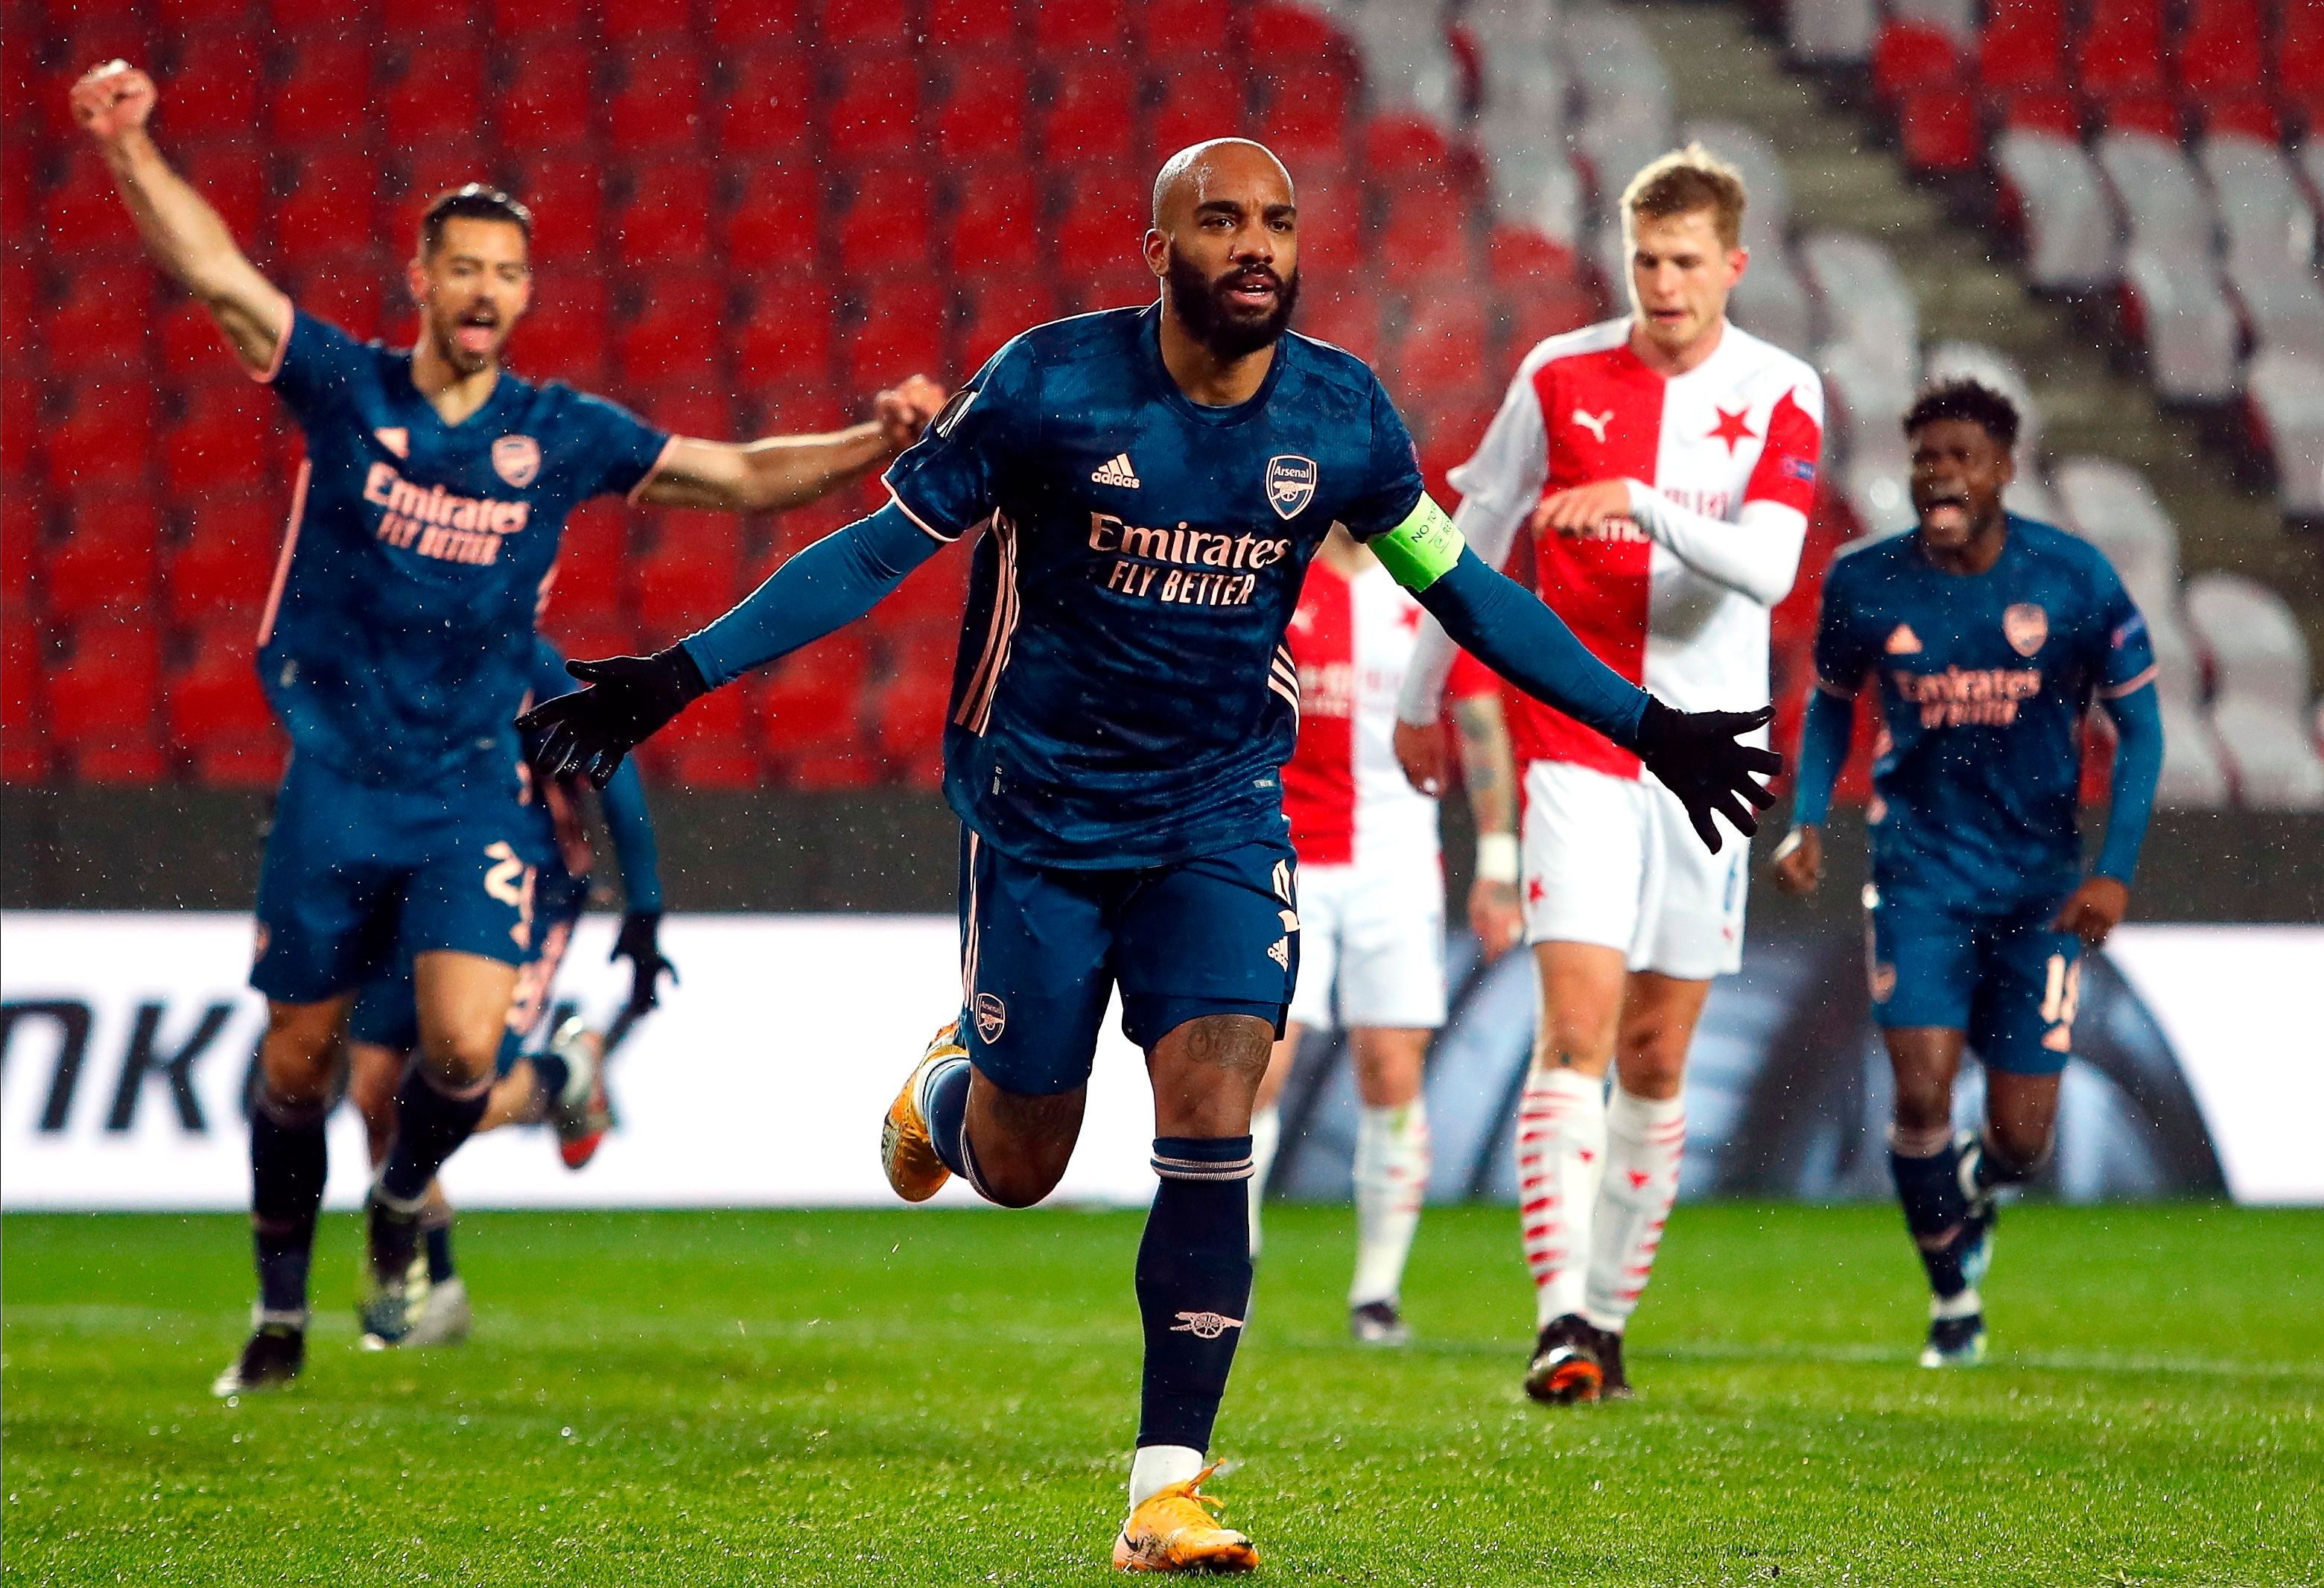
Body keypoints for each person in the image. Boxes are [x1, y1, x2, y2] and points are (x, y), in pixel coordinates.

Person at [518, 139, 1778, 1574]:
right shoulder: (1049, 386)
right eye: (1222, 220)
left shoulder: (1343, 414)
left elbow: (1468, 591)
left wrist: (1646, 722)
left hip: (1221, 813)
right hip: (1042, 818)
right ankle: (956, 1083)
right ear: (1157, 248)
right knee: (1021, 1160)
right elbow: (875, 553)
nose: (1257, 244)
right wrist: (672, 677)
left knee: (1215, 1106)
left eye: (1280, 222)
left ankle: (1165, 1486)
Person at [66, 61, 944, 1395]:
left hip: (472, 783)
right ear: (421, 281)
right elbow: (220, 277)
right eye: (461, 268)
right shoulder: (347, 390)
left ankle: (403, 1193)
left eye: (506, 273)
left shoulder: (561, 432)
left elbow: (738, 476)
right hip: (338, 782)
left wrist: (870, 442)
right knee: (297, 1063)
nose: (484, 291)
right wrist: (131, 153)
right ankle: (281, 1313)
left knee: (466, 1049)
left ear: (526, 295)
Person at [1393, 144, 1824, 1405]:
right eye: (1645, 259)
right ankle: (1561, 1320)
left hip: (1714, 750)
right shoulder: (1558, 374)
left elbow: (1772, 566)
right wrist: (1423, 694)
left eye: (1687, 261)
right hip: (1580, 732)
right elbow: (1470, 541)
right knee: (1574, 1023)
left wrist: (1641, 502)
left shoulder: (1781, 390)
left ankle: (1612, 1314)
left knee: (1657, 1049)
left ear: (1733, 265)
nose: (1663, 282)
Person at [1771, 378, 2162, 1368]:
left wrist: (2113, 870)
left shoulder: (2072, 579)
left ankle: (1982, 1190)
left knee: (2023, 1138)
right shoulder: (1866, 582)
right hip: (1919, 882)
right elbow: (1828, 706)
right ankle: (1952, 1298)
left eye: (1960, 458)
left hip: (2041, 892)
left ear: (2002, 470)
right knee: (1921, 1095)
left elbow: (2144, 728)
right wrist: (1810, 820)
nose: (1939, 476)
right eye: (1925, 459)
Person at [342, 633, 674, 1347]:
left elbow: (613, 764)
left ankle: (563, 1073)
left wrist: (644, 904)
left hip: (523, 880)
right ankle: (437, 1283)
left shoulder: (522, 655)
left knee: (449, 1088)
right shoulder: (386, 640)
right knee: (372, 1091)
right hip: (412, 871)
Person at [1247, 525, 1523, 1346]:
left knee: (1392, 1071)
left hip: (1397, 858)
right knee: (1259, 1065)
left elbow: (1479, 721)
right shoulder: (1274, 572)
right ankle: (1233, 1260)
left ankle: (1376, 1292)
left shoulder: (1425, 587)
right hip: (1283, 852)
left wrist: (1499, 861)